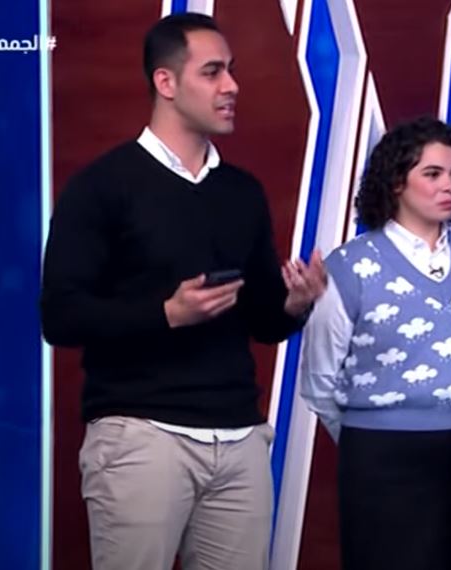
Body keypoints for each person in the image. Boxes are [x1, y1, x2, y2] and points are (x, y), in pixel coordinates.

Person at [39, 12, 327, 570]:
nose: (232, 86)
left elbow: (262, 320)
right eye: (213, 72)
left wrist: (294, 304)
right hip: (142, 437)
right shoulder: (102, 186)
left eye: (232, 71)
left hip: (239, 439)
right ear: (166, 82)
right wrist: (167, 313)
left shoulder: (241, 191)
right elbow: (61, 316)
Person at [299, 116, 451, 570]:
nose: (449, 185)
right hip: (381, 459)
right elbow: (319, 379)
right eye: (432, 173)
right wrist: (371, 434)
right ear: (396, 183)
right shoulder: (349, 266)